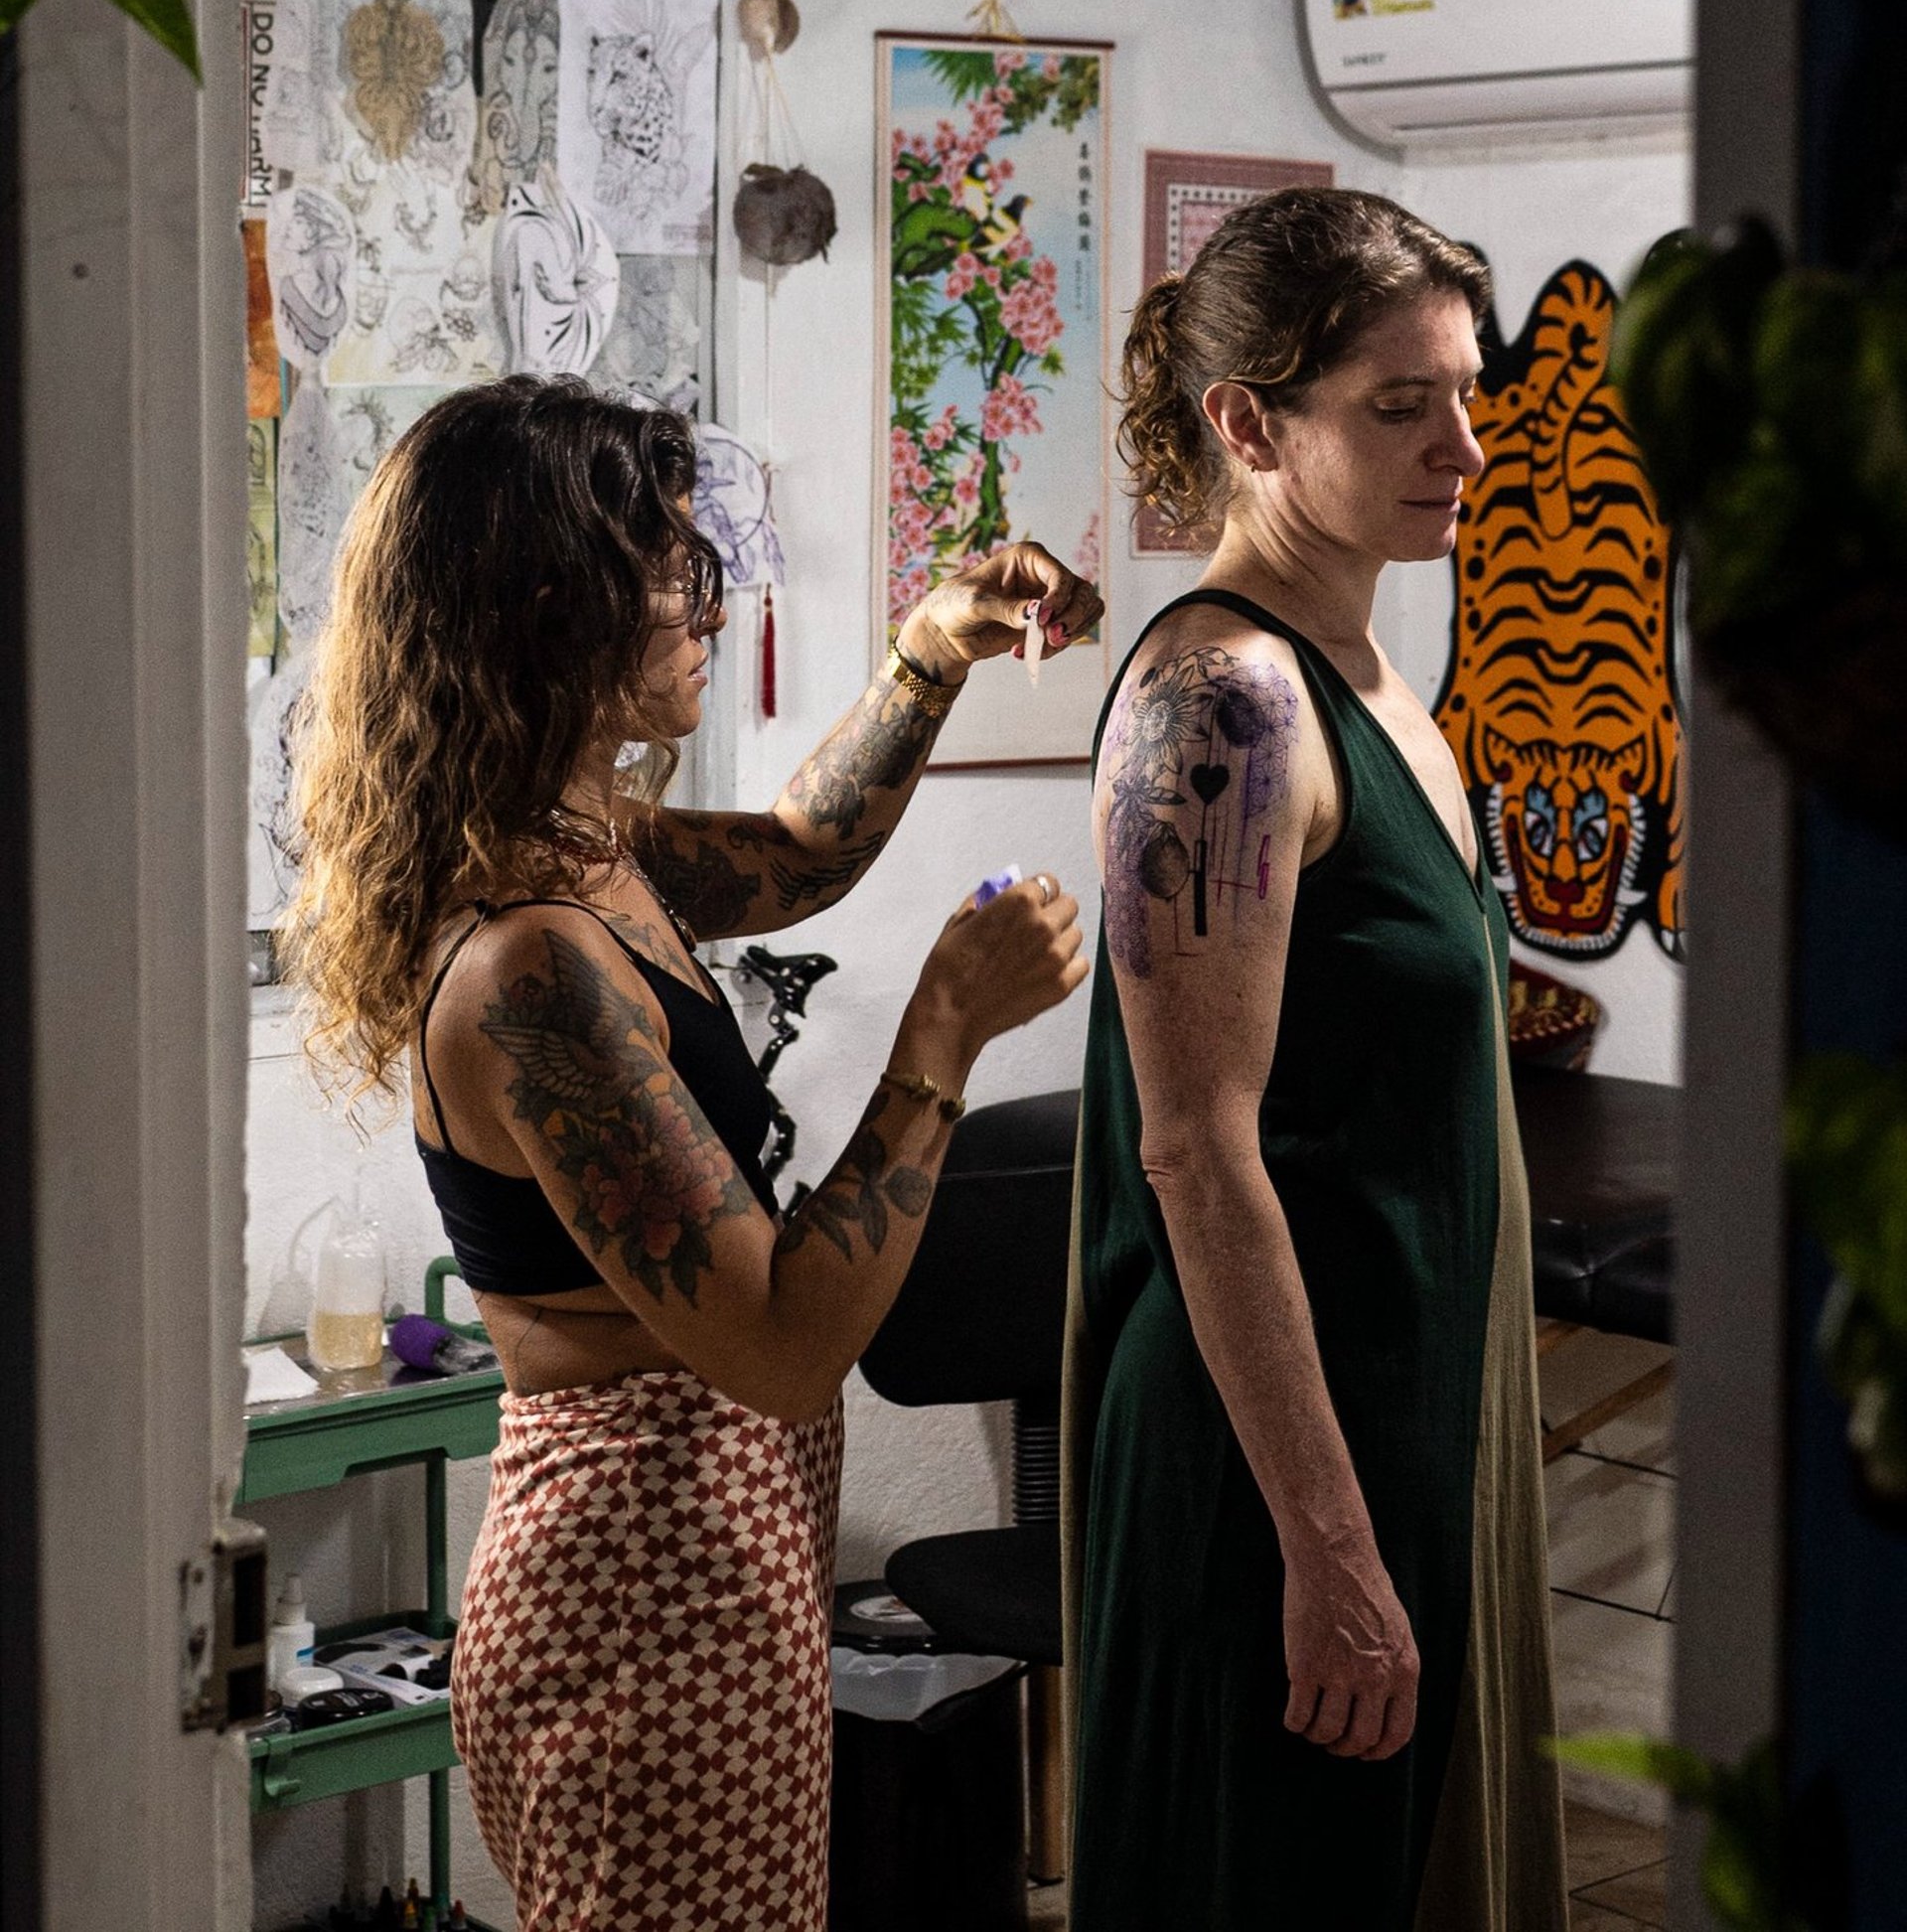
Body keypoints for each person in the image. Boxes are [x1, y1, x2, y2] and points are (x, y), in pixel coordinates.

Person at [282, 376, 1100, 1932]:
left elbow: (797, 851)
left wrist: (933, 650)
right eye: (669, 564)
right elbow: (785, 1341)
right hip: (644, 1603)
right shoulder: (534, 969)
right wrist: (944, 1028)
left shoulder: (589, 855)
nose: (706, 596)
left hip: (712, 1578)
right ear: (549, 606)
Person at [1066, 189, 1566, 1932]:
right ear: (1249, 422)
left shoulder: (1374, 680)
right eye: (1402, 401)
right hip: (1273, 1475)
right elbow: (1196, 1151)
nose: (1467, 442)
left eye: (1467, 389)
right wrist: (1329, 1549)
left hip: (1395, 1416)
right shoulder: (1225, 700)